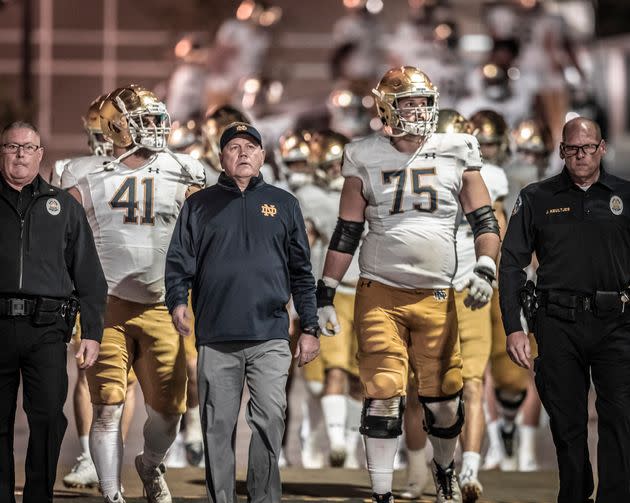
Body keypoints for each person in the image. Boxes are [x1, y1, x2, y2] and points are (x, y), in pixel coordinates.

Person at [317, 66, 501, 503]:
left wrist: (486, 267)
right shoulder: (363, 153)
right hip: (379, 290)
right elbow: (347, 230)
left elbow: (485, 220)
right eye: (408, 103)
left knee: (443, 401)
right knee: (382, 391)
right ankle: (381, 491)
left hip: (438, 294)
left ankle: (443, 469)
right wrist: (325, 289)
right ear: (386, 108)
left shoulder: (457, 148)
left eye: (423, 102)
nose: (418, 111)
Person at [61, 85, 206, 503]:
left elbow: (205, 234)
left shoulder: (186, 170)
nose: (156, 127)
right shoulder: (83, 173)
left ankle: (150, 462)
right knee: (108, 403)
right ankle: (111, 492)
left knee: (169, 411)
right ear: (115, 126)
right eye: (144, 119)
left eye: (159, 118)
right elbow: (62, 237)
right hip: (104, 303)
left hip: (164, 304)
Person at [165, 121, 320, 503]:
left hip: (270, 335)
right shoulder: (199, 204)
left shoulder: (285, 204)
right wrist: (177, 301)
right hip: (217, 337)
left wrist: (311, 327)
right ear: (221, 157)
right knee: (217, 428)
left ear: (263, 156)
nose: (243, 153)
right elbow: (179, 261)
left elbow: (302, 272)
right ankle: (222, 498)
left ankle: (262, 497)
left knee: (270, 419)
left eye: (250, 147)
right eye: (234, 147)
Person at [500, 117, 630, 503]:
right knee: (567, 422)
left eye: (589, 147)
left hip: (617, 324)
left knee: (620, 420)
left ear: (602, 148)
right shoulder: (537, 197)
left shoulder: (625, 195)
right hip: (558, 322)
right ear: (561, 151)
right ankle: (574, 496)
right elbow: (511, 264)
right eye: (573, 148)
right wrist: (514, 326)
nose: (581, 155)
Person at [0, 121, 107, 503]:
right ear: (2, 152)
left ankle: (38, 497)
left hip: (46, 330)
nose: (20, 154)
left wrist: (92, 332)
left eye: (28, 147)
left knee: (46, 419)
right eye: (12, 147)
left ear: (40, 154)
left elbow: (90, 276)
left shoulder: (62, 207)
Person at [61, 94, 139, 490]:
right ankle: (88, 456)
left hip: (138, 286)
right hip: (92, 284)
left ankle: (111, 453)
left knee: (126, 381)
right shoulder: (77, 170)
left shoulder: (151, 169)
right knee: (87, 371)